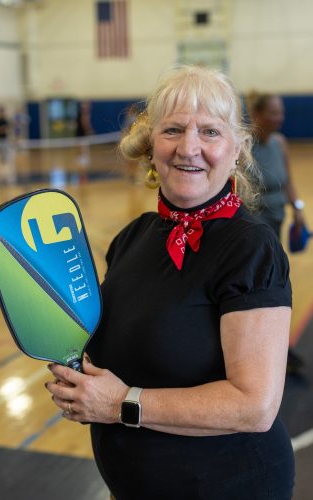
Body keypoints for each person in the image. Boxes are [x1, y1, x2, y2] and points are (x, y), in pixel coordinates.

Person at [45, 65, 295, 499]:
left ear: (237, 149)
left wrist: (119, 404)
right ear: (151, 146)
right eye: (173, 130)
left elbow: (254, 405)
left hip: (228, 486)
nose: (189, 147)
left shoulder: (251, 248)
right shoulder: (131, 238)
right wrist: (82, 385)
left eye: (210, 132)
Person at [246, 92, 306, 374]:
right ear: (257, 115)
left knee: (276, 278)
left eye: (280, 111)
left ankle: (276, 344)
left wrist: (299, 210)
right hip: (255, 225)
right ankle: (266, 348)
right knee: (265, 281)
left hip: (278, 217)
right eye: (273, 112)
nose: (279, 117)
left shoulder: (280, 143)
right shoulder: (244, 145)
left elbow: (289, 181)